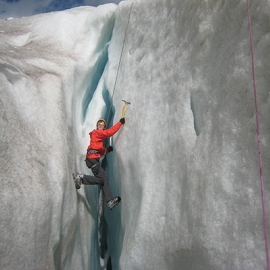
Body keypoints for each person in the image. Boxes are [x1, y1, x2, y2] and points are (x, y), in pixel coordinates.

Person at [73, 117, 125, 210]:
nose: (101, 126)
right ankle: (81, 178)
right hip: (92, 159)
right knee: (103, 178)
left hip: (92, 159)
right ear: (97, 127)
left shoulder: (97, 137)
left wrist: (107, 150)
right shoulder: (97, 133)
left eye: (102, 125)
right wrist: (120, 123)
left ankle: (81, 178)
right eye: (99, 124)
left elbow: (99, 151)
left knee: (101, 180)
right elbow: (109, 132)